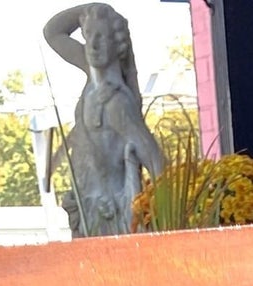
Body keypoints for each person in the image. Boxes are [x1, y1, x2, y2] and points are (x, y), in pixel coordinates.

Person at [43, 4, 163, 234]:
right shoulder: (92, 75)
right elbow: (52, 32)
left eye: (102, 37)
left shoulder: (116, 101)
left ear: (117, 45)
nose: (93, 45)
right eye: (89, 37)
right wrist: (94, 8)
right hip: (88, 212)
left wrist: (158, 212)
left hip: (111, 218)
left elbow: (156, 163)